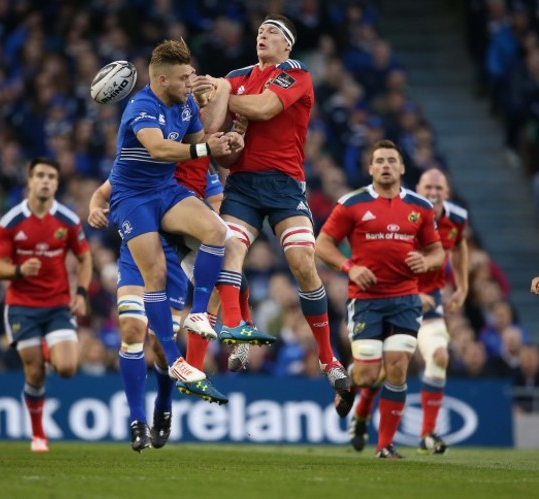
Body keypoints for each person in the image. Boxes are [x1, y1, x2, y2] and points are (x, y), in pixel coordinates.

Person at [195, 14, 350, 394]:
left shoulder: (295, 72)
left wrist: (222, 92)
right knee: (227, 249)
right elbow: (213, 130)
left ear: (287, 45)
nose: (263, 35)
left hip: (284, 186)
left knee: (301, 263)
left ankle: (328, 358)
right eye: (261, 30)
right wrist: (211, 101)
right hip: (243, 185)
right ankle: (237, 332)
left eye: (273, 32)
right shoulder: (238, 74)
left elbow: (264, 109)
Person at [106, 39, 248, 399]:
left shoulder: (184, 102)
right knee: (153, 275)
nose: (191, 81)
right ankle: (174, 359)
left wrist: (227, 142)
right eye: (185, 77)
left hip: (165, 190)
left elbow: (202, 144)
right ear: (162, 80)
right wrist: (204, 147)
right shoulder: (141, 106)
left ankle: (199, 313)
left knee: (218, 232)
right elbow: (158, 148)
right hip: (132, 199)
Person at [315, 139, 444, 458]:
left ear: (401, 167)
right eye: (379, 161)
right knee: (370, 374)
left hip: (405, 299)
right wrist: (349, 267)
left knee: (398, 368)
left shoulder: (420, 207)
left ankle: (384, 445)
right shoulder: (352, 203)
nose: (386, 165)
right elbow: (322, 244)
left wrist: (426, 262)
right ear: (370, 168)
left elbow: (437, 251)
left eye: (391, 160)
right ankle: (352, 383)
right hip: (366, 301)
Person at [88, 179, 227, 452]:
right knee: (130, 330)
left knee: (161, 349)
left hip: (172, 262)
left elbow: (215, 218)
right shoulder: (140, 161)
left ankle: (163, 405)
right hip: (135, 255)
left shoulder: (199, 171)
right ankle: (137, 421)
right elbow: (102, 192)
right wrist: (95, 208)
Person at [346, 168, 469, 454]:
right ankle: (361, 414)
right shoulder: (405, 214)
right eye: (428, 187)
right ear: (419, 189)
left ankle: (427, 434)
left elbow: (460, 247)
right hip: (394, 300)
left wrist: (462, 286)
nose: (434, 193)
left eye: (439, 188)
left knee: (439, 355)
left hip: (430, 304)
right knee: (376, 373)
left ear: (447, 193)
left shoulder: (457, 219)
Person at [0, 157, 92, 453]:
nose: (46, 181)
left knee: (67, 368)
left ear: (57, 183)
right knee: (34, 372)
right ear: (30, 181)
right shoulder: (11, 222)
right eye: (40, 175)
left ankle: (49, 346)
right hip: (22, 306)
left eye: (51, 176)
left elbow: (85, 258)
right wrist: (20, 270)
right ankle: (38, 435)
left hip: (59, 305)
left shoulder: (68, 221)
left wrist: (82, 293)